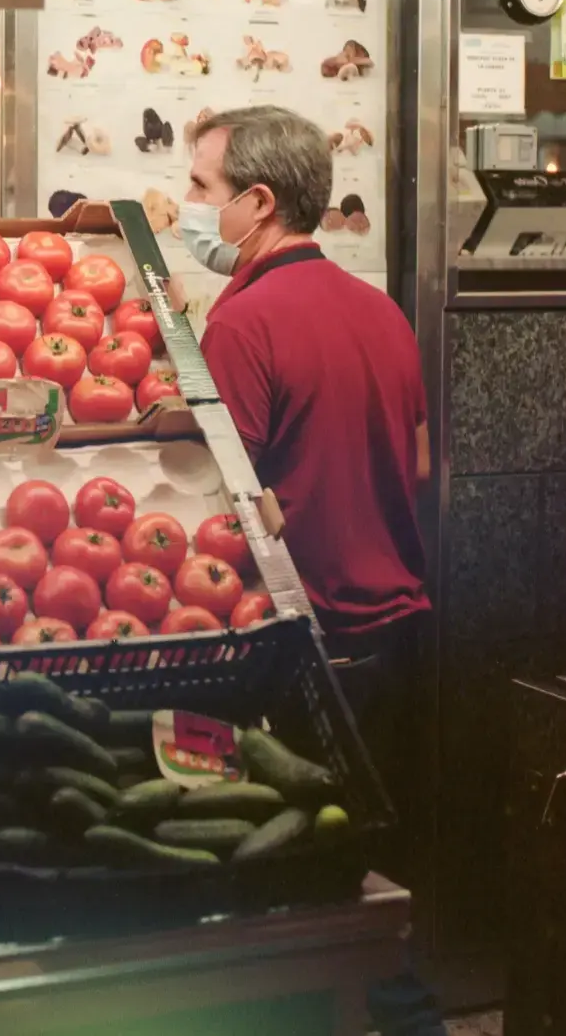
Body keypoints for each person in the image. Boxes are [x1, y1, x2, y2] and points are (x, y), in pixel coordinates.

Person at [181, 104, 443, 1036]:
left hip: (308, 651)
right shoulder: (381, 311)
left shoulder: (243, 323)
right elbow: (413, 466)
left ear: (258, 201)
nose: (190, 206)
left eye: (203, 190)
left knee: (302, 905)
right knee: (375, 884)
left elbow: (230, 509)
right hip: (399, 636)